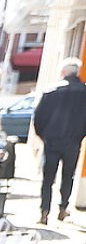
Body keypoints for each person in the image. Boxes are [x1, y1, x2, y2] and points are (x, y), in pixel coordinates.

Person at [33, 58, 86, 225]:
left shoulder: (51, 91)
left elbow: (39, 118)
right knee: (68, 176)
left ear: (63, 72)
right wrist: (80, 135)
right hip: (73, 141)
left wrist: (44, 135)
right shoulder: (84, 93)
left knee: (48, 178)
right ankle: (63, 208)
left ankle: (44, 212)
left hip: (52, 141)